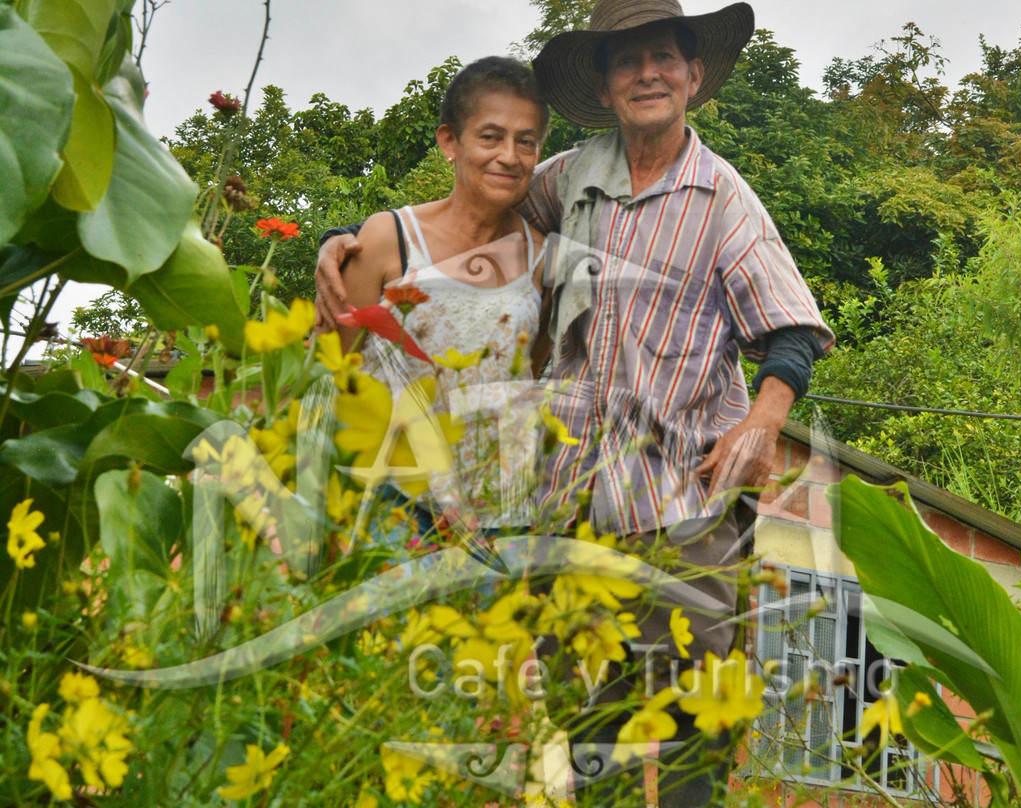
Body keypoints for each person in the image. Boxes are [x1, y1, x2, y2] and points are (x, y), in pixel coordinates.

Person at [317, 1, 834, 800]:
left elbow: (793, 330)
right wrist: (353, 236)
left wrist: (764, 424)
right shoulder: (568, 176)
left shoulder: (723, 197)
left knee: (693, 717)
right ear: (605, 82)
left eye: (664, 56)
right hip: (571, 505)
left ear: (694, 74)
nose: (648, 73)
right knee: (592, 721)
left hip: (684, 504)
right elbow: (469, 210)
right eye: (627, 61)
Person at [324, 56, 552, 537]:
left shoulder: (542, 259)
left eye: (526, 141)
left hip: (499, 519)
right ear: (450, 141)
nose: (509, 156)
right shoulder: (389, 238)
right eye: (490, 136)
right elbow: (329, 378)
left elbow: (525, 375)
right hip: (393, 511)